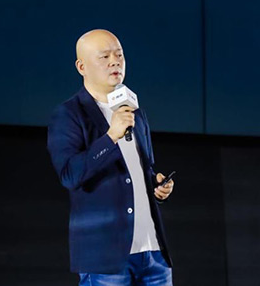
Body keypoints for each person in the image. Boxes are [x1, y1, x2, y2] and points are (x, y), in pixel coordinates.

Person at [47, 29, 175, 286]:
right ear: (81, 67)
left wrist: (156, 185)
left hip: (153, 253)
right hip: (105, 258)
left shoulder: (135, 112)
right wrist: (110, 136)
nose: (115, 61)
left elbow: (141, 170)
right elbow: (70, 175)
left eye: (119, 55)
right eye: (104, 57)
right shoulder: (69, 114)